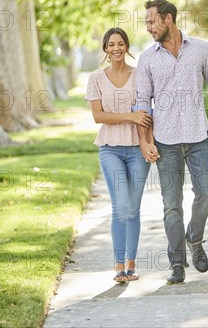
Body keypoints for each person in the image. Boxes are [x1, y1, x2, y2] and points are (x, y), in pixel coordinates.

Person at [133, 0, 208, 284]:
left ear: (168, 19)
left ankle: (194, 238)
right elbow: (142, 103)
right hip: (165, 141)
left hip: (198, 136)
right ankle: (177, 262)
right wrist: (144, 141)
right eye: (147, 22)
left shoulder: (201, 48)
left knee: (207, 192)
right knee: (171, 205)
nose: (149, 27)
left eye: (152, 21)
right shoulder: (148, 58)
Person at [84, 27, 153, 283]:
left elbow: (147, 114)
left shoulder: (139, 76)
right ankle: (118, 264)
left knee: (133, 209)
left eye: (120, 43)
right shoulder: (95, 79)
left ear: (126, 46)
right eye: (111, 44)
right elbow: (98, 116)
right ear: (105, 49)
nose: (116, 48)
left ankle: (130, 264)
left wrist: (148, 142)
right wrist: (129, 115)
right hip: (110, 148)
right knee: (120, 206)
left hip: (136, 148)